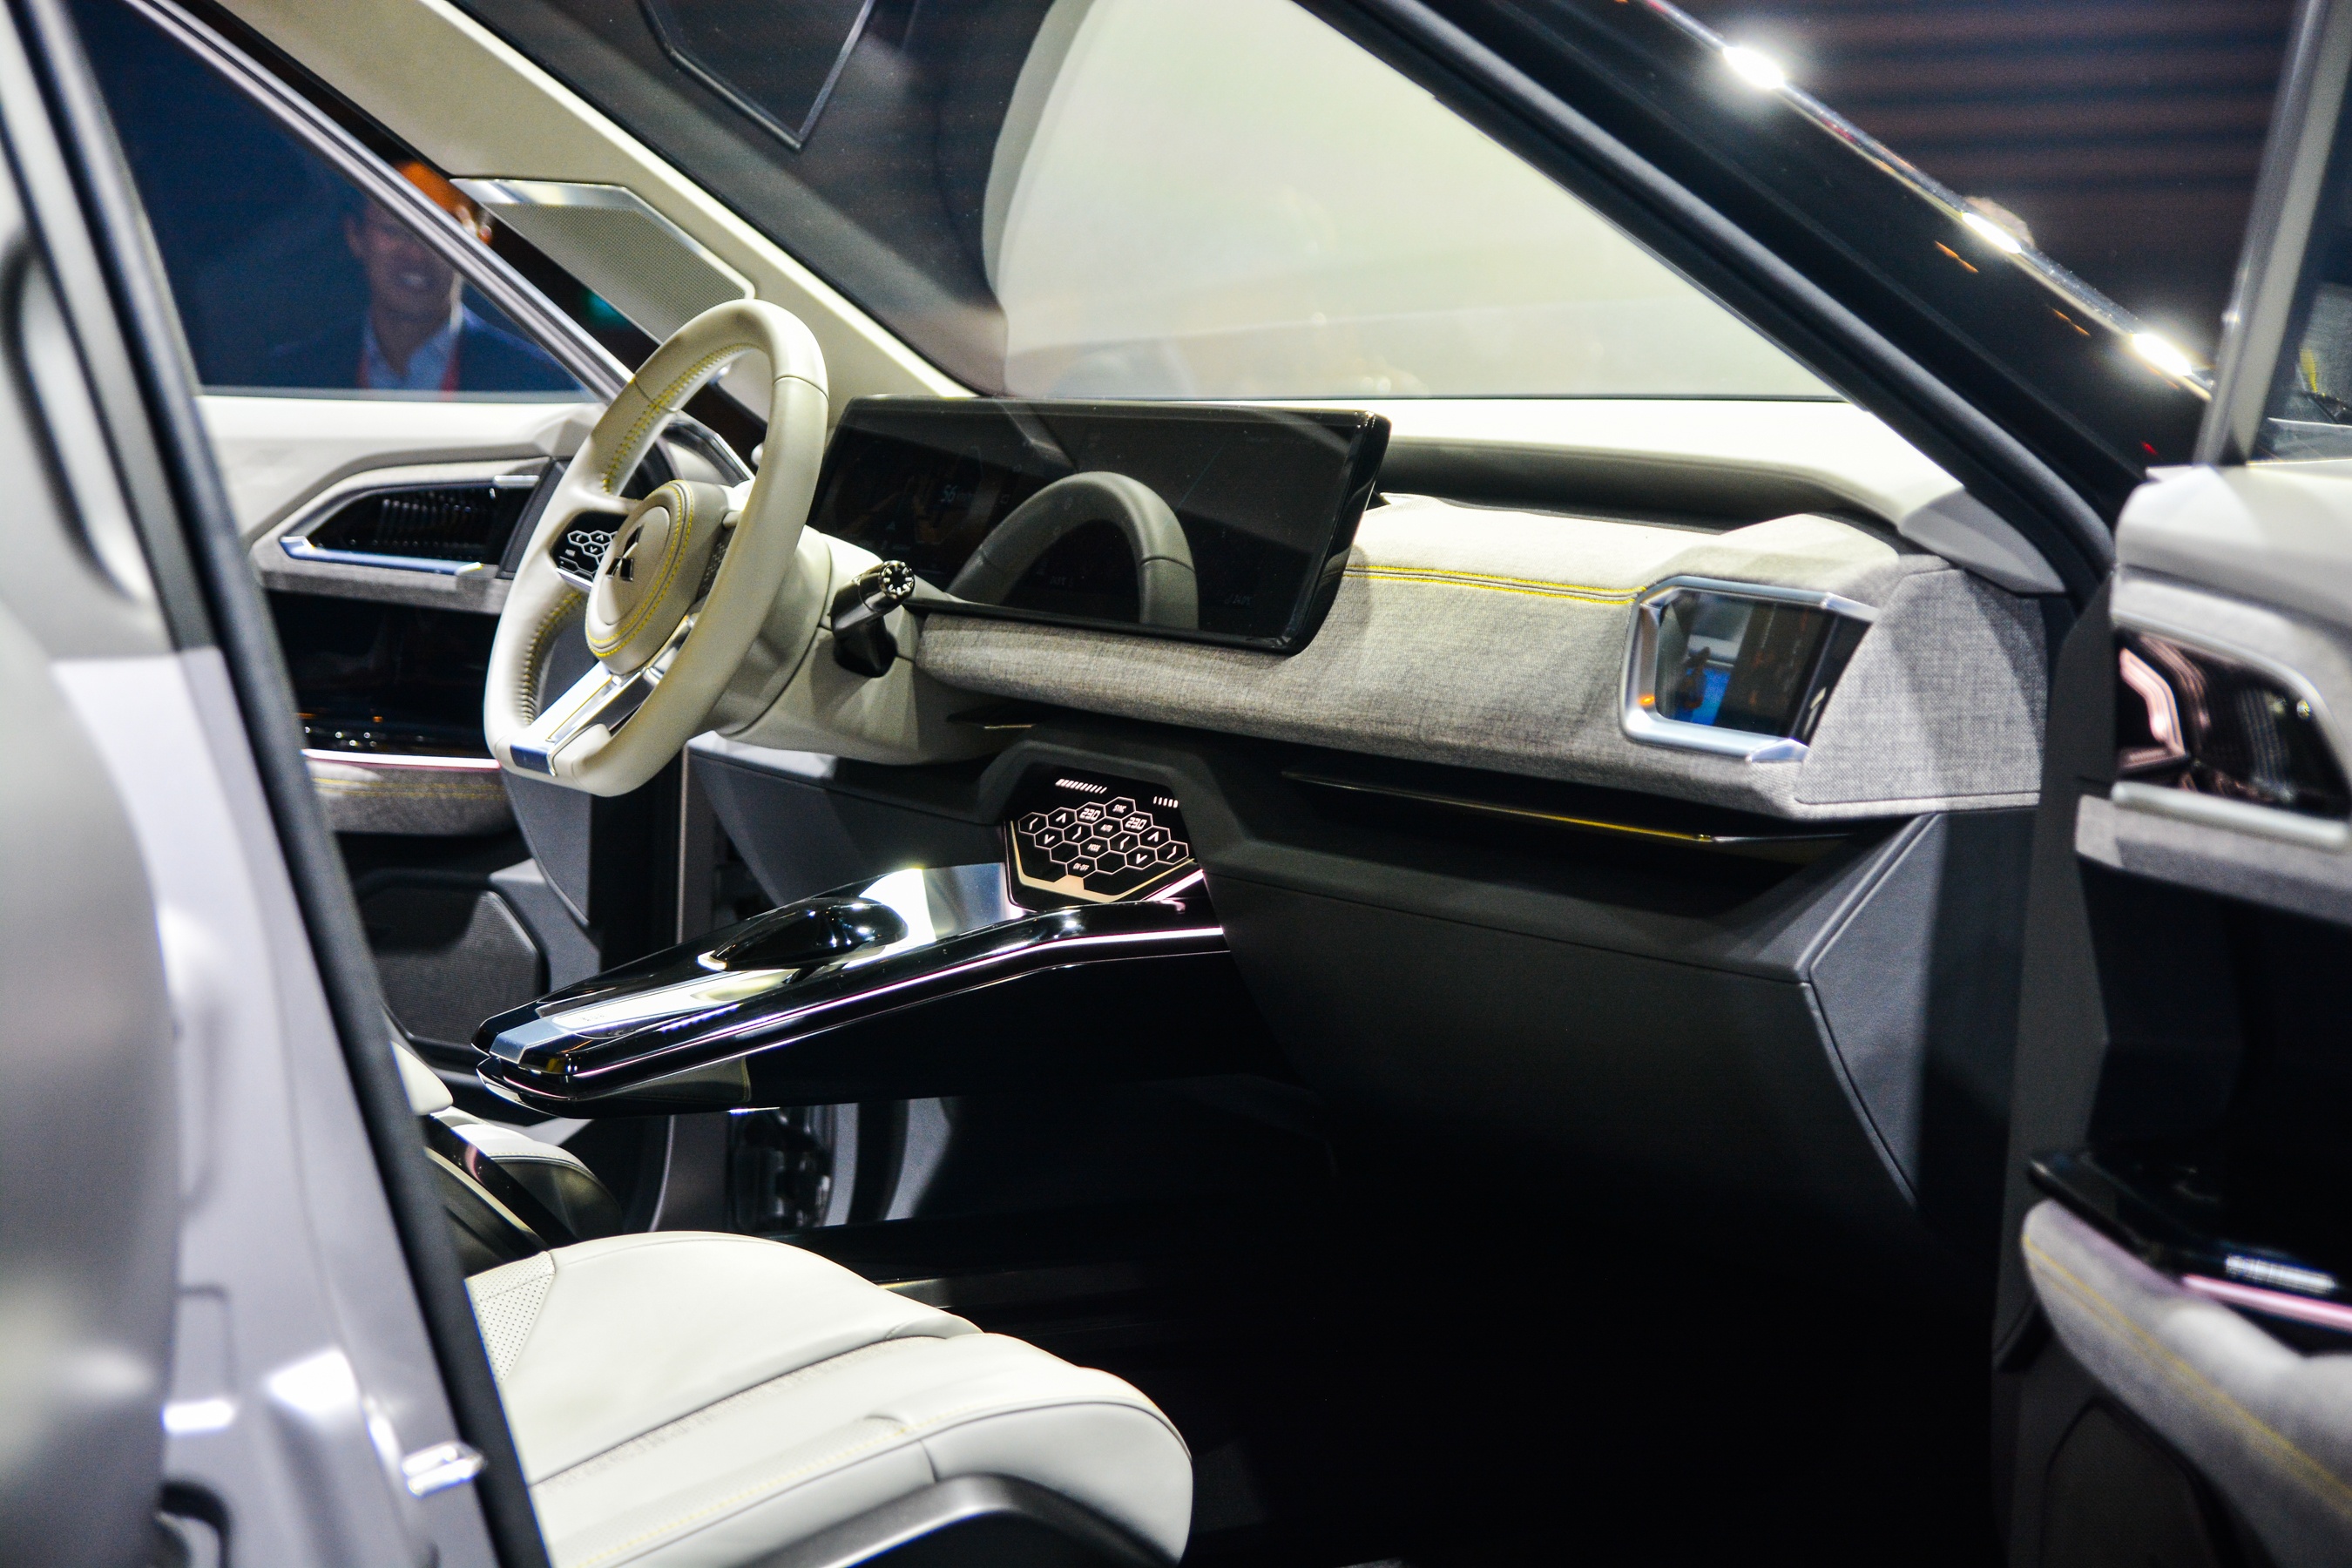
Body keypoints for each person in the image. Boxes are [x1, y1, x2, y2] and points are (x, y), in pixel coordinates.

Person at [264, 162, 573, 395]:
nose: (415, 253)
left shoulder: (540, 388)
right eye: (394, 228)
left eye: (441, 231)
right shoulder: (290, 382)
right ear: (355, 236)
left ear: (480, 241)